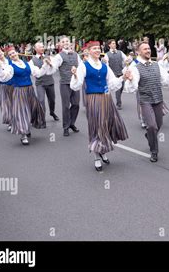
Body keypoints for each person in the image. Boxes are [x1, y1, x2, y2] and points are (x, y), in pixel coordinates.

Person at [70, 41, 132, 172]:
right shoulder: (83, 66)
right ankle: (96, 156)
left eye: (98, 48)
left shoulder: (104, 66)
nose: (97, 50)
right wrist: (75, 75)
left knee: (107, 124)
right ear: (89, 51)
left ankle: (102, 150)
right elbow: (76, 85)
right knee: (97, 126)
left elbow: (112, 82)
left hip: (106, 98)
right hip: (93, 99)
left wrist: (122, 78)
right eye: (94, 49)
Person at [126, 42, 169, 162]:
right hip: (145, 100)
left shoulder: (157, 65)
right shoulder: (134, 67)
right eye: (145, 49)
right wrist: (130, 80)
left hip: (158, 99)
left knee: (158, 125)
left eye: (149, 48)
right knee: (151, 125)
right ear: (138, 52)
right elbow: (131, 88)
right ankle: (154, 151)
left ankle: (149, 136)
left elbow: (166, 81)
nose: (148, 50)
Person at [0, 46, 51, 145]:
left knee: (33, 109)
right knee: (22, 112)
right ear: (9, 57)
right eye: (10, 54)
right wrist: (0, 67)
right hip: (19, 91)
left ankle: (27, 128)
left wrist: (45, 66)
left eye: (13, 53)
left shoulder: (27, 64)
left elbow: (38, 73)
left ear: (17, 52)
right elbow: (4, 77)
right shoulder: (10, 66)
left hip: (30, 90)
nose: (13, 55)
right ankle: (23, 135)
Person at [49, 36, 82, 136]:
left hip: (75, 83)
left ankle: (72, 123)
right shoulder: (59, 56)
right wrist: (49, 64)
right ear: (60, 44)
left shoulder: (76, 55)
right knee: (66, 106)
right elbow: (54, 67)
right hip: (65, 83)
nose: (66, 43)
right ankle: (66, 127)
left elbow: (81, 67)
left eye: (67, 41)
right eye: (63, 42)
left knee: (76, 104)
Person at [31, 42, 59, 125]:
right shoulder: (32, 61)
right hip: (40, 84)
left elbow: (54, 69)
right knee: (41, 101)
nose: (42, 48)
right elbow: (35, 73)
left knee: (52, 100)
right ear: (35, 49)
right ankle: (42, 118)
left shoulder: (49, 57)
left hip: (50, 82)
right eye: (40, 47)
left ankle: (52, 112)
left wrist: (50, 64)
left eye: (43, 47)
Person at [103, 39, 127, 110]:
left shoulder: (120, 52)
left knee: (122, 87)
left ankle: (117, 98)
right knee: (118, 88)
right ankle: (118, 104)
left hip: (121, 73)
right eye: (113, 43)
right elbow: (106, 65)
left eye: (115, 43)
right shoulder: (107, 55)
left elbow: (125, 59)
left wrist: (128, 60)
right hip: (113, 75)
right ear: (109, 45)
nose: (114, 44)